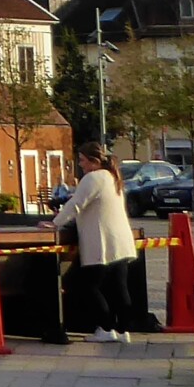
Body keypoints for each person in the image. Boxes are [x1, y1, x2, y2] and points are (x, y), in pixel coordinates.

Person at [48, 142, 138, 343]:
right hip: (121, 240)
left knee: (85, 285)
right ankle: (123, 331)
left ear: (94, 161)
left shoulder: (93, 178)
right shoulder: (113, 178)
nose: (80, 165)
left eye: (82, 160)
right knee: (119, 286)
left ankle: (105, 328)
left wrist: (55, 223)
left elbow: (76, 205)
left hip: (101, 242)